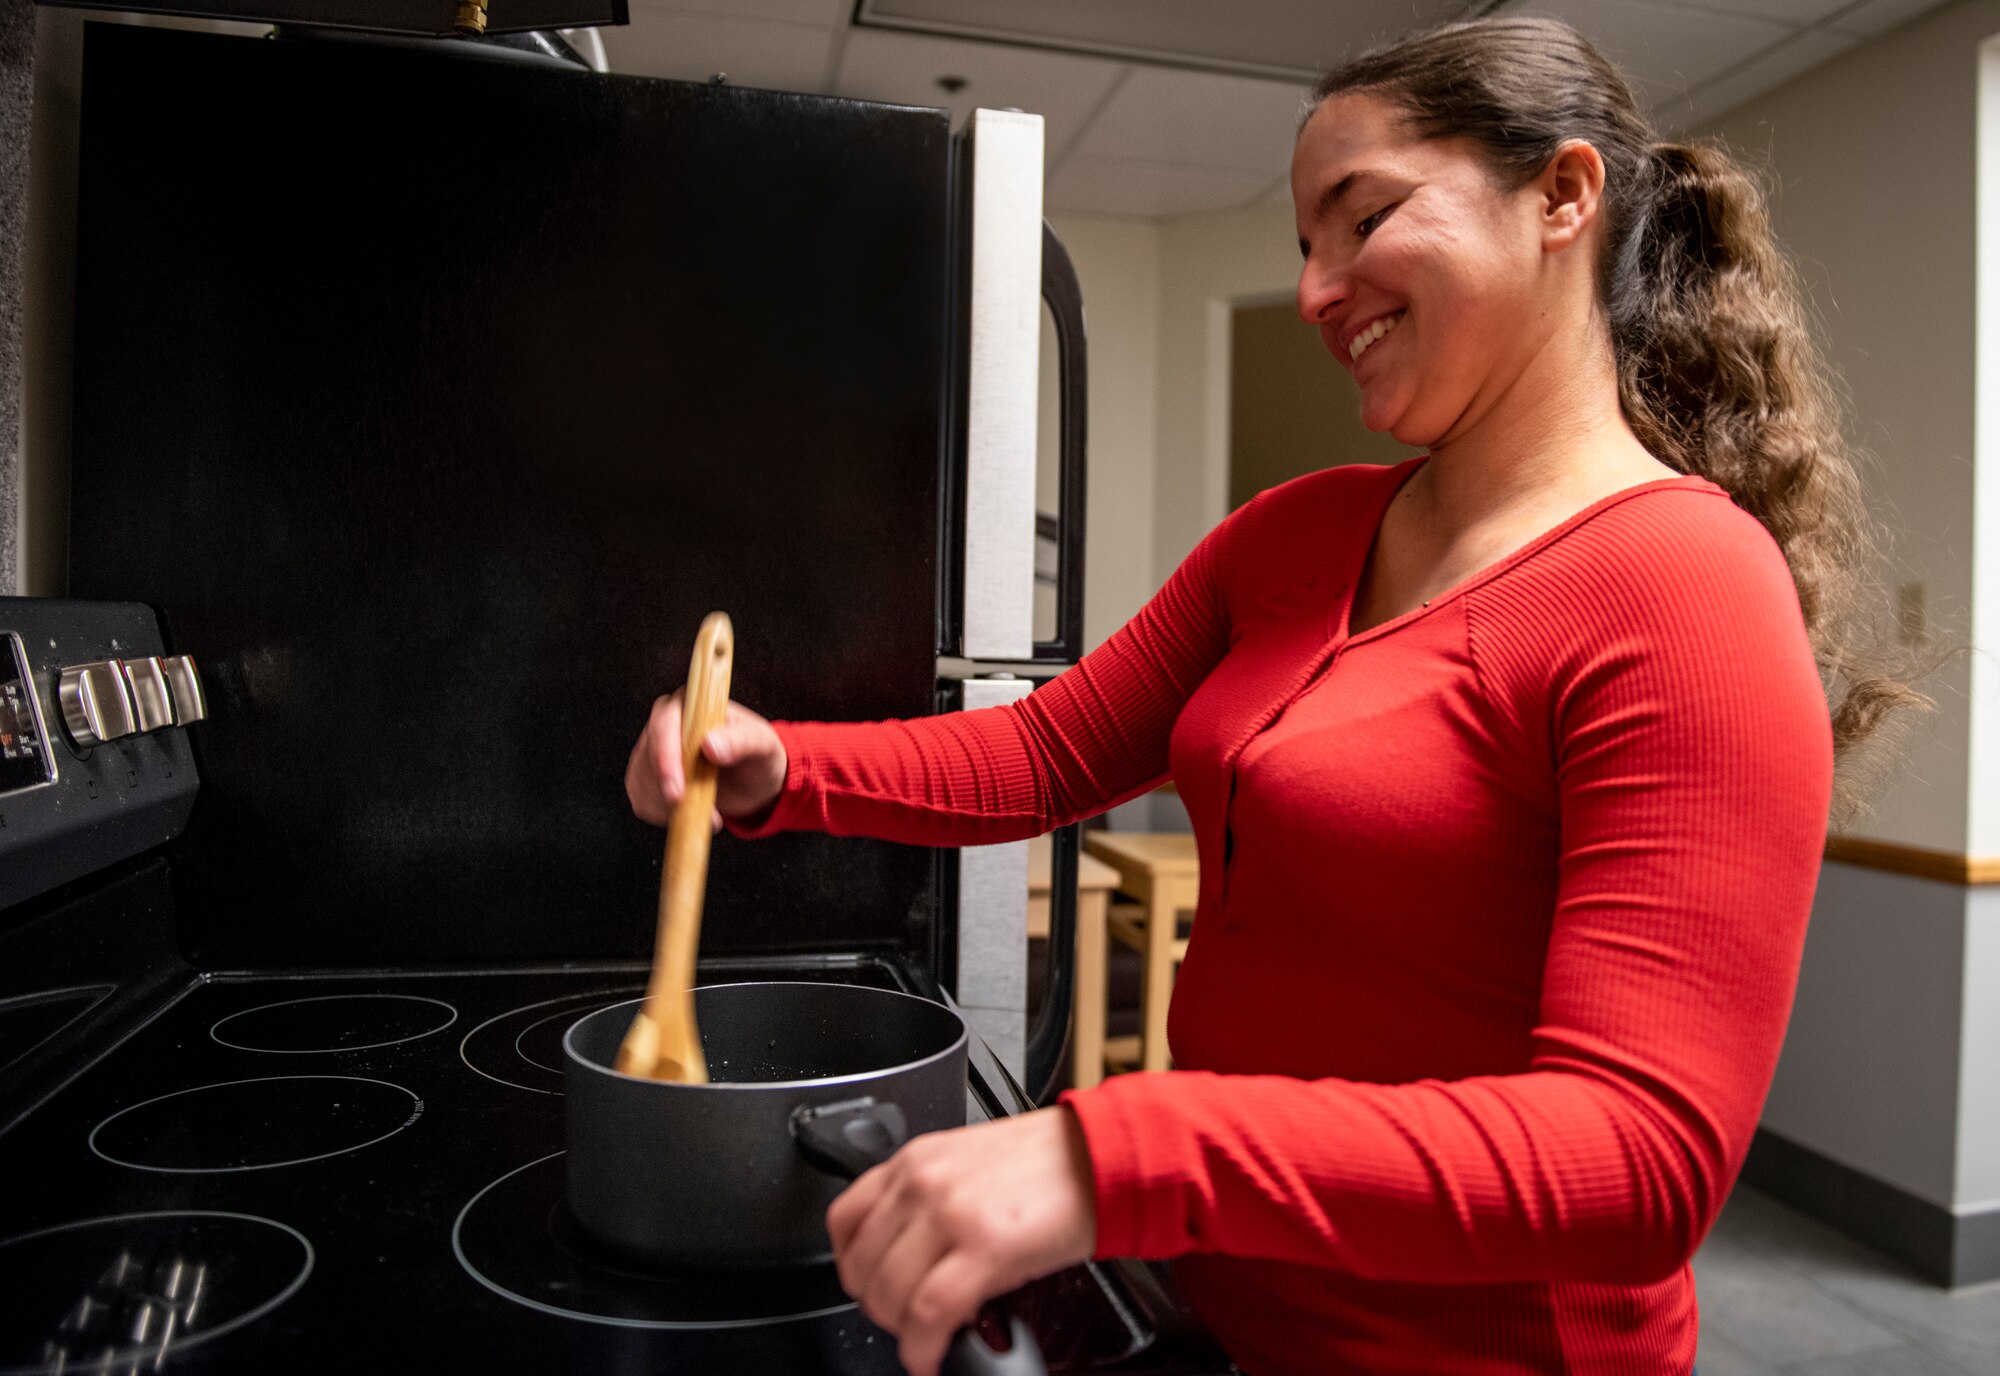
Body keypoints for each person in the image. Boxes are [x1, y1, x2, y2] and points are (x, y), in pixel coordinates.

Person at [626, 16, 1925, 1376]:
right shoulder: (1293, 537)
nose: (1316, 289)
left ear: (1563, 195)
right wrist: (786, 764)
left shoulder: (1684, 586)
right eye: (1305, 245)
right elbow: (1050, 753)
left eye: (1361, 220)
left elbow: (1638, 1159)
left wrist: (1112, 1150)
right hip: (1219, 1308)